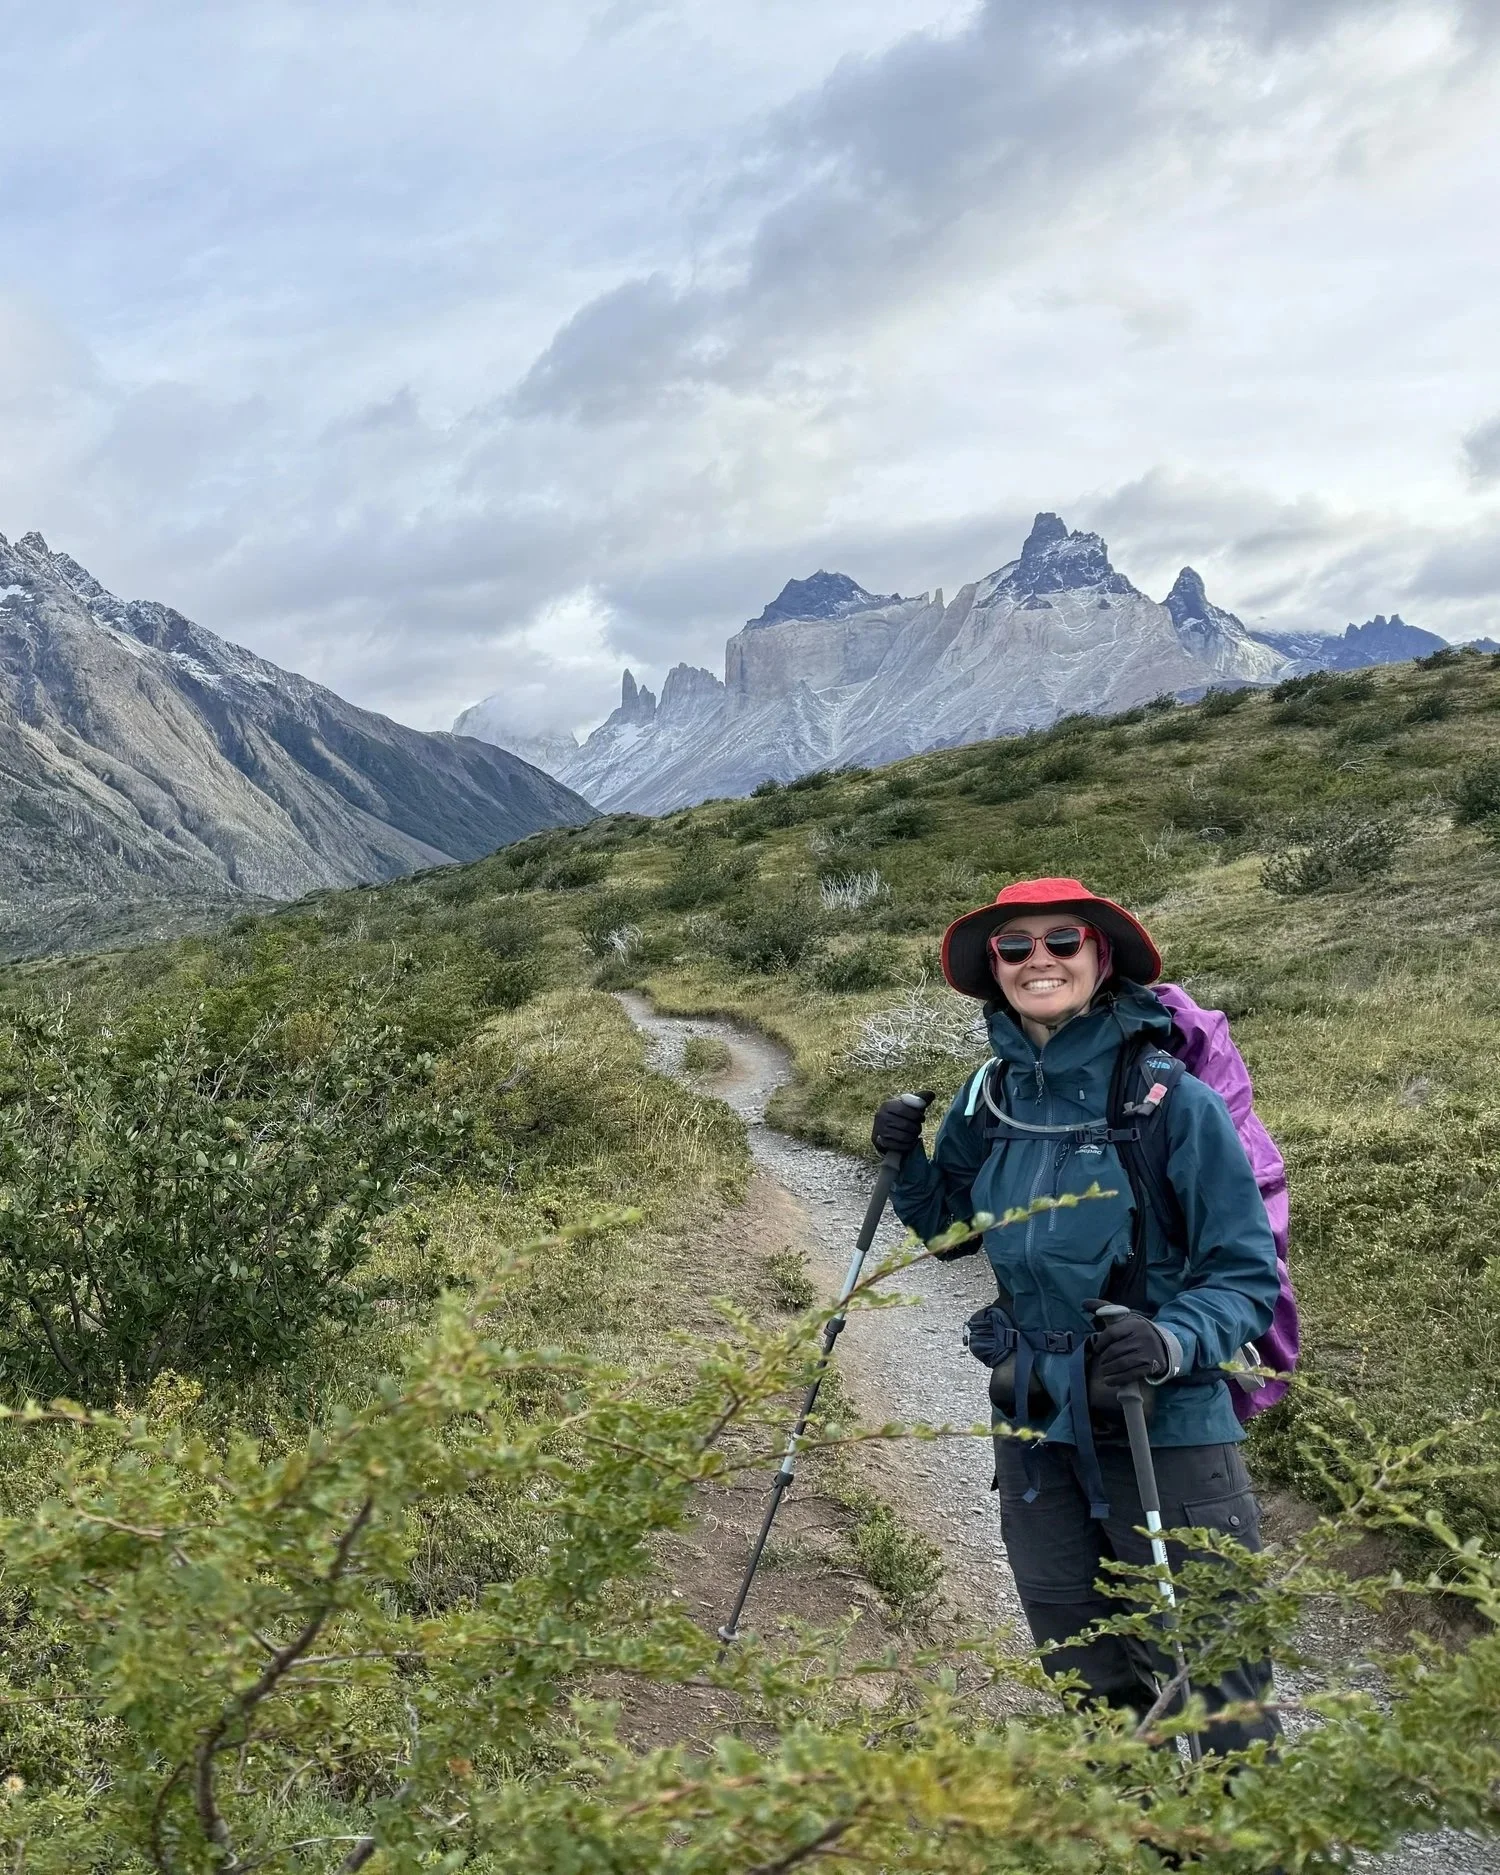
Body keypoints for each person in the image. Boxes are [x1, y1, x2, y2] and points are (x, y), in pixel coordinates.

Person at [872, 876, 1281, 1755]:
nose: (1039, 959)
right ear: (994, 970)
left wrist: (1169, 1338)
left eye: (1063, 940)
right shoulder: (992, 1097)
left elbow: (1245, 1275)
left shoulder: (1173, 1105)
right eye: (1014, 947)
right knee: (1084, 1665)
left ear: (1101, 957)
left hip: (1162, 1423)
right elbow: (951, 1231)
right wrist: (907, 1163)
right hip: (1033, 1421)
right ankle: (1136, 1837)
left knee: (1211, 1684)